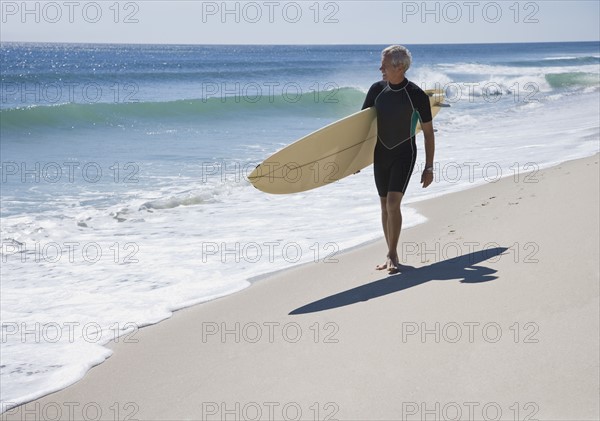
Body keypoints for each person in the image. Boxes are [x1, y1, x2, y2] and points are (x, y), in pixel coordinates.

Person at [361, 45, 435, 274]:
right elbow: (362, 128)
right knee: (384, 205)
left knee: (393, 203)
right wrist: (354, 161)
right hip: (380, 153)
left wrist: (429, 167)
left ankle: (392, 254)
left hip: (404, 153)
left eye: (384, 64)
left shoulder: (416, 95)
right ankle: (389, 252)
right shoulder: (376, 90)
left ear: (399, 67)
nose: (380, 68)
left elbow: (429, 132)